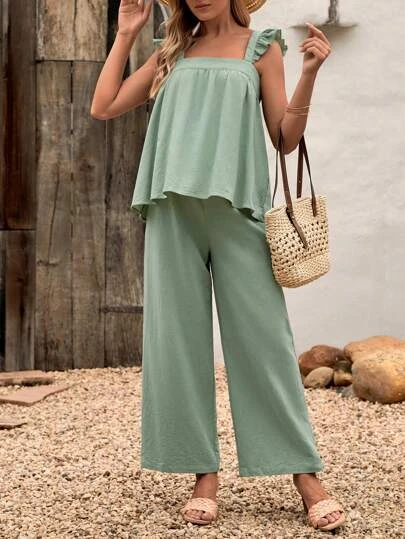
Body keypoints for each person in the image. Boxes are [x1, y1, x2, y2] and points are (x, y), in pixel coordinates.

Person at [90, 0, 346, 532]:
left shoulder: (262, 47)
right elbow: (105, 105)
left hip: (238, 211)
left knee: (265, 344)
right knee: (178, 347)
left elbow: (284, 138)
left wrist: (309, 73)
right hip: (172, 212)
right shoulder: (172, 52)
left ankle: (305, 473)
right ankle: (203, 476)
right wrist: (126, 34)